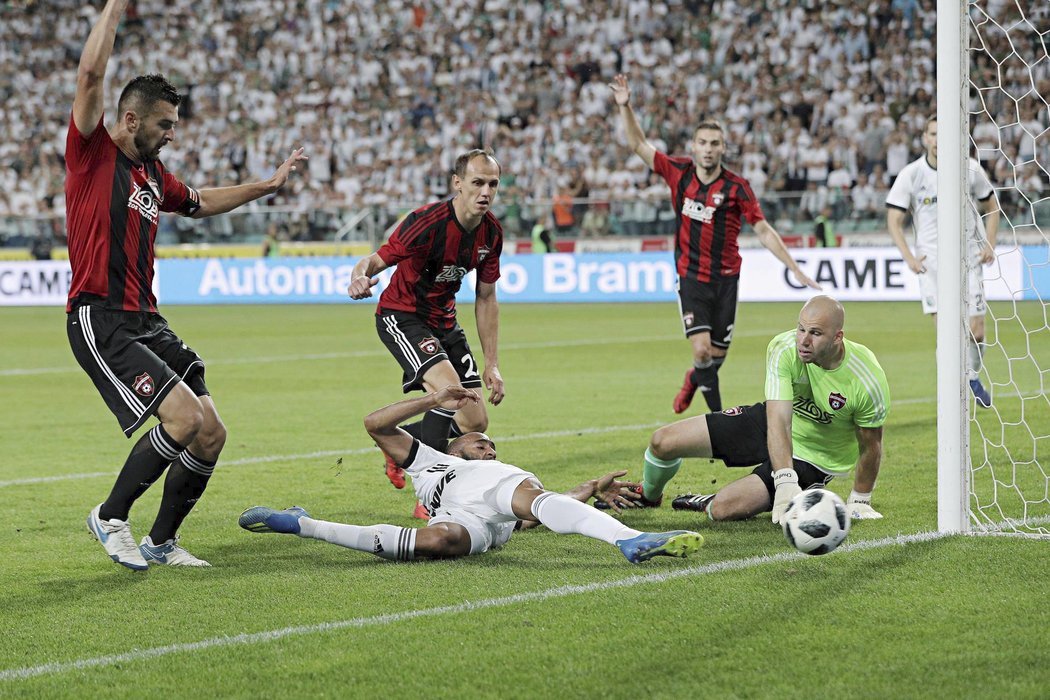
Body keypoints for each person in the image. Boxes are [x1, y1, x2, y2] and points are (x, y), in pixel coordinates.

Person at [69, 0, 306, 570]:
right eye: (164, 124)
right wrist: (114, 10)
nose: (172, 134)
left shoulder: (153, 175)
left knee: (210, 432)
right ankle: (110, 515)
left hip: (147, 319)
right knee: (183, 419)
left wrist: (263, 187)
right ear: (131, 120)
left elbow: (199, 204)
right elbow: (90, 75)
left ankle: (161, 541)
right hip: (100, 316)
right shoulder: (91, 153)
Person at [239, 385, 704, 564]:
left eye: (491, 445)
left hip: (496, 513)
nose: (488, 446)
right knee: (436, 543)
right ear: (454, 445)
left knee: (526, 495)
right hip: (468, 521)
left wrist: (588, 488)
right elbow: (375, 424)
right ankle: (301, 523)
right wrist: (430, 401)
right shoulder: (431, 461)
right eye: (480, 442)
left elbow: (534, 510)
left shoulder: (497, 471)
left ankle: (627, 538)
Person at [608, 74, 821, 417]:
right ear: (693, 146)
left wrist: (793, 267)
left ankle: (694, 379)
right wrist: (626, 106)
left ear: (723, 148)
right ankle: (718, 418)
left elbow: (763, 229)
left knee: (713, 358)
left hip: (726, 280)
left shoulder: (737, 187)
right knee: (703, 349)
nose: (708, 149)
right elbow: (638, 145)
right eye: (703, 142)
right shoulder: (678, 171)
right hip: (691, 277)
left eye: (714, 143)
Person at [615, 296, 889, 523]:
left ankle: (707, 500)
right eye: (801, 329)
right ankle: (648, 496)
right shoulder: (784, 349)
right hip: (773, 421)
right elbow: (779, 420)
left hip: (817, 457)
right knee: (662, 442)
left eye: (815, 333)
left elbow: (871, 445)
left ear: (838, 337)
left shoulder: (866, 380)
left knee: (722, 509)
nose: (803, 340)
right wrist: (785, 481)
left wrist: (859, 500)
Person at [347, 149, 506, 519]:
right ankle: (429, 497)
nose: (485, 191)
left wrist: (493, 364)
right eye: (477, 182)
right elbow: (376, 258)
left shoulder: (491, 233)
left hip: (445, 321)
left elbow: (486, 296)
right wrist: (359, 276)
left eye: (493, 184)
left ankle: (395, 445)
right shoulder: (426, 222)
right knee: (448, 396)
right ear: (458, 183)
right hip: (402, 316)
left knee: (475, 421)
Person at [886, 115, 1000, 408]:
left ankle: (971, 376)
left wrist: (989, 243)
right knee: (947, 333)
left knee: (976, 331)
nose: (938, 140)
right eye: (933, 134)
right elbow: (894, 220)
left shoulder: (969, 168)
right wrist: (909, 257)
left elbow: (992, 206)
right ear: (925, 137)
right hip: (932, 263)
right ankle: (951, 392)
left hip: (967, 258)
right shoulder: (912, 174)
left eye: (942, 134)